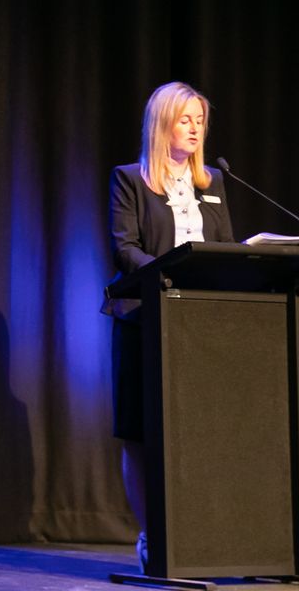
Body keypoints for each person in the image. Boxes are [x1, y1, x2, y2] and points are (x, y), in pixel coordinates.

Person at [104, 81, 233, 572]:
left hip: (200, 326)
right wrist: (170, 275)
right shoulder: (130, 179)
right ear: (162, 124)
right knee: (140, 433)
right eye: (185, 120)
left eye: (200, 121)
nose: (196, 129)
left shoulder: (213, 182)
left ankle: (199, 536)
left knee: (199, 432)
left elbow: (225, 246)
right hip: (144, 318)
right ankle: (152, 537)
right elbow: (125, 248)